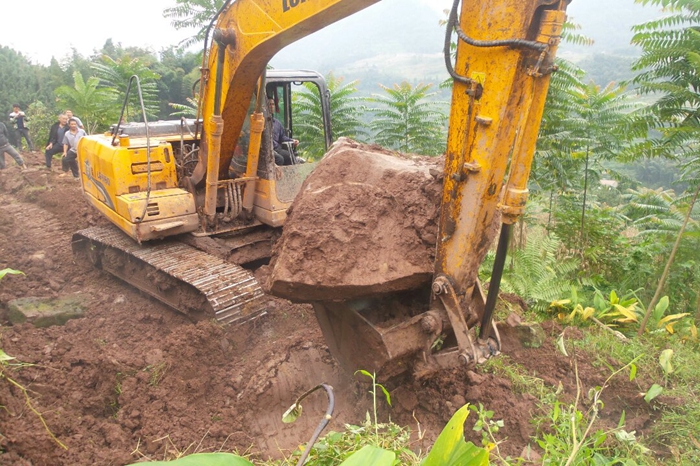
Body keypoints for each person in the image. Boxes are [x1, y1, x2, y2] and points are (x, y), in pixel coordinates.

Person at [268, 98, 301, 165]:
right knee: (279, 159)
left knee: (289, 156)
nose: (271, 106)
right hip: (267, 151)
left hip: (276, 149)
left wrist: (292, 140)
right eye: (269, 104)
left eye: (273, 104)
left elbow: (282, 137)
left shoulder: (277, 123)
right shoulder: (261, 123)